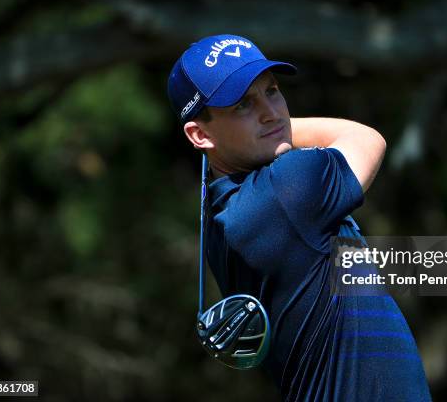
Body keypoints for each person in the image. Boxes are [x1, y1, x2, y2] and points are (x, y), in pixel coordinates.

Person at [167, 34, 432, 401]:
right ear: (199, 134)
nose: (270, 111)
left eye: (272, 91)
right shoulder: (288, 189)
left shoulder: (218, 215)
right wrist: (280, 128)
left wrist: (265, 127)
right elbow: (366, 138)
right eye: (243, 104)